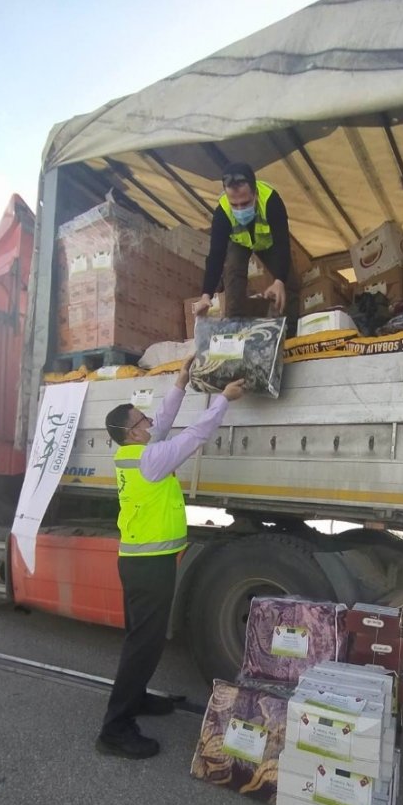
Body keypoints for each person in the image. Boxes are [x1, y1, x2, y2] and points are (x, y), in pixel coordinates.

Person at [97, 356, 245, 759]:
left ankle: (137, 698)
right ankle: (115, 728)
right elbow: (194, 436)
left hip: (138, 562)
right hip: (149, 566)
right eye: (141, 421)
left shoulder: (135, 452)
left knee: (139, 639)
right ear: (131, 433)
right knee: (143, 644)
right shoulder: (151, 459)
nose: (149, 423)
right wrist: (223, 401)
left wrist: (180, 382)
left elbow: (163, 422)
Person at [193, 161, 299, 335]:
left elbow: (282, 243)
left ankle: (290, 333)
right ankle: (234, 330)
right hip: (240, 242)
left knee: (290, 282)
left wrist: (279, 280)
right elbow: (216, 255)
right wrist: (206, 295)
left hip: (268, 242)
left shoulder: (271, 201)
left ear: (255, 194)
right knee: (232, 271)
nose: (239, 209)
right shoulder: (222, 213)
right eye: (234, 204)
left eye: (245, 203)